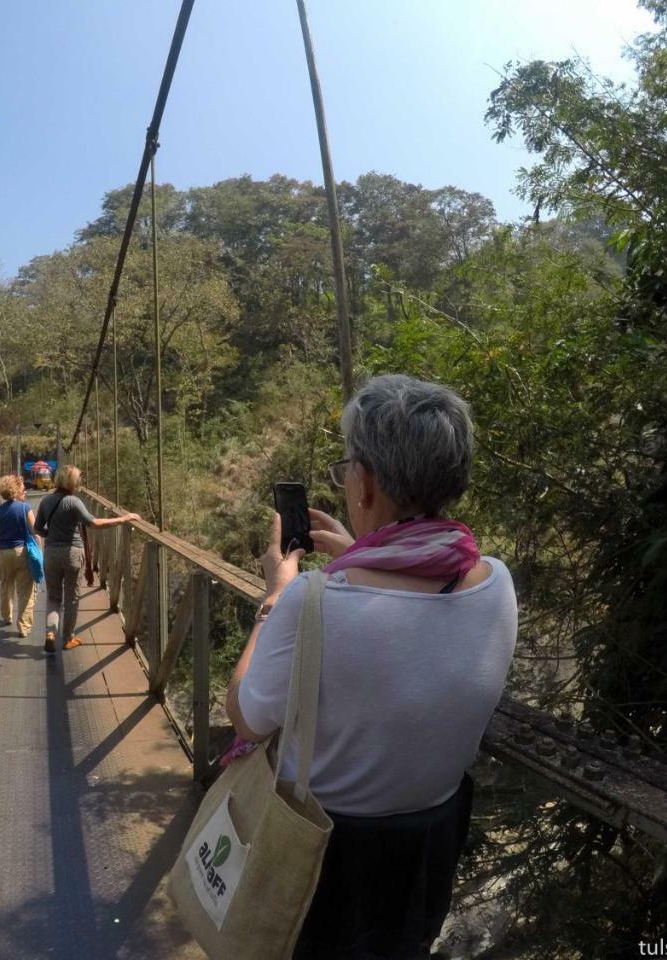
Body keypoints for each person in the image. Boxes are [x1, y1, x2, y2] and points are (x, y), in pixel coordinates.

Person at [226, 374, 518, 959]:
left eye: (347, 467)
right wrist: (358, 551)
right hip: (429, 847)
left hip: (324, 853)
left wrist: (275, 597)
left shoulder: (311, 602)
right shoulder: (496, 581)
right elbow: (411, 633)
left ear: (367, 482)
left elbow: (246, 717)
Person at [33, 464, 140, 654]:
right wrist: (123, 519)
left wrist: (52, 534)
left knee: (53, 596)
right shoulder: (73, 502)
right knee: (72, 598)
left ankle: (50, 633)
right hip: (72, 553)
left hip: (51, 553)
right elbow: (94, 523)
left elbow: (38, 529)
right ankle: (68, 639)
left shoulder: (46, 501)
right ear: (72, 482)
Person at [0, 474, 39, 638]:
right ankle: (23, 626)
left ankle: (7, 616)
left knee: (5, 585)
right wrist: (39, 552)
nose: (24, 490)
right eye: (23, 488)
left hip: (2, 554)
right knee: (26, 590)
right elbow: (35, 531)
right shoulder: (25, 508)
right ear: (16, 490)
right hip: (21, 552)